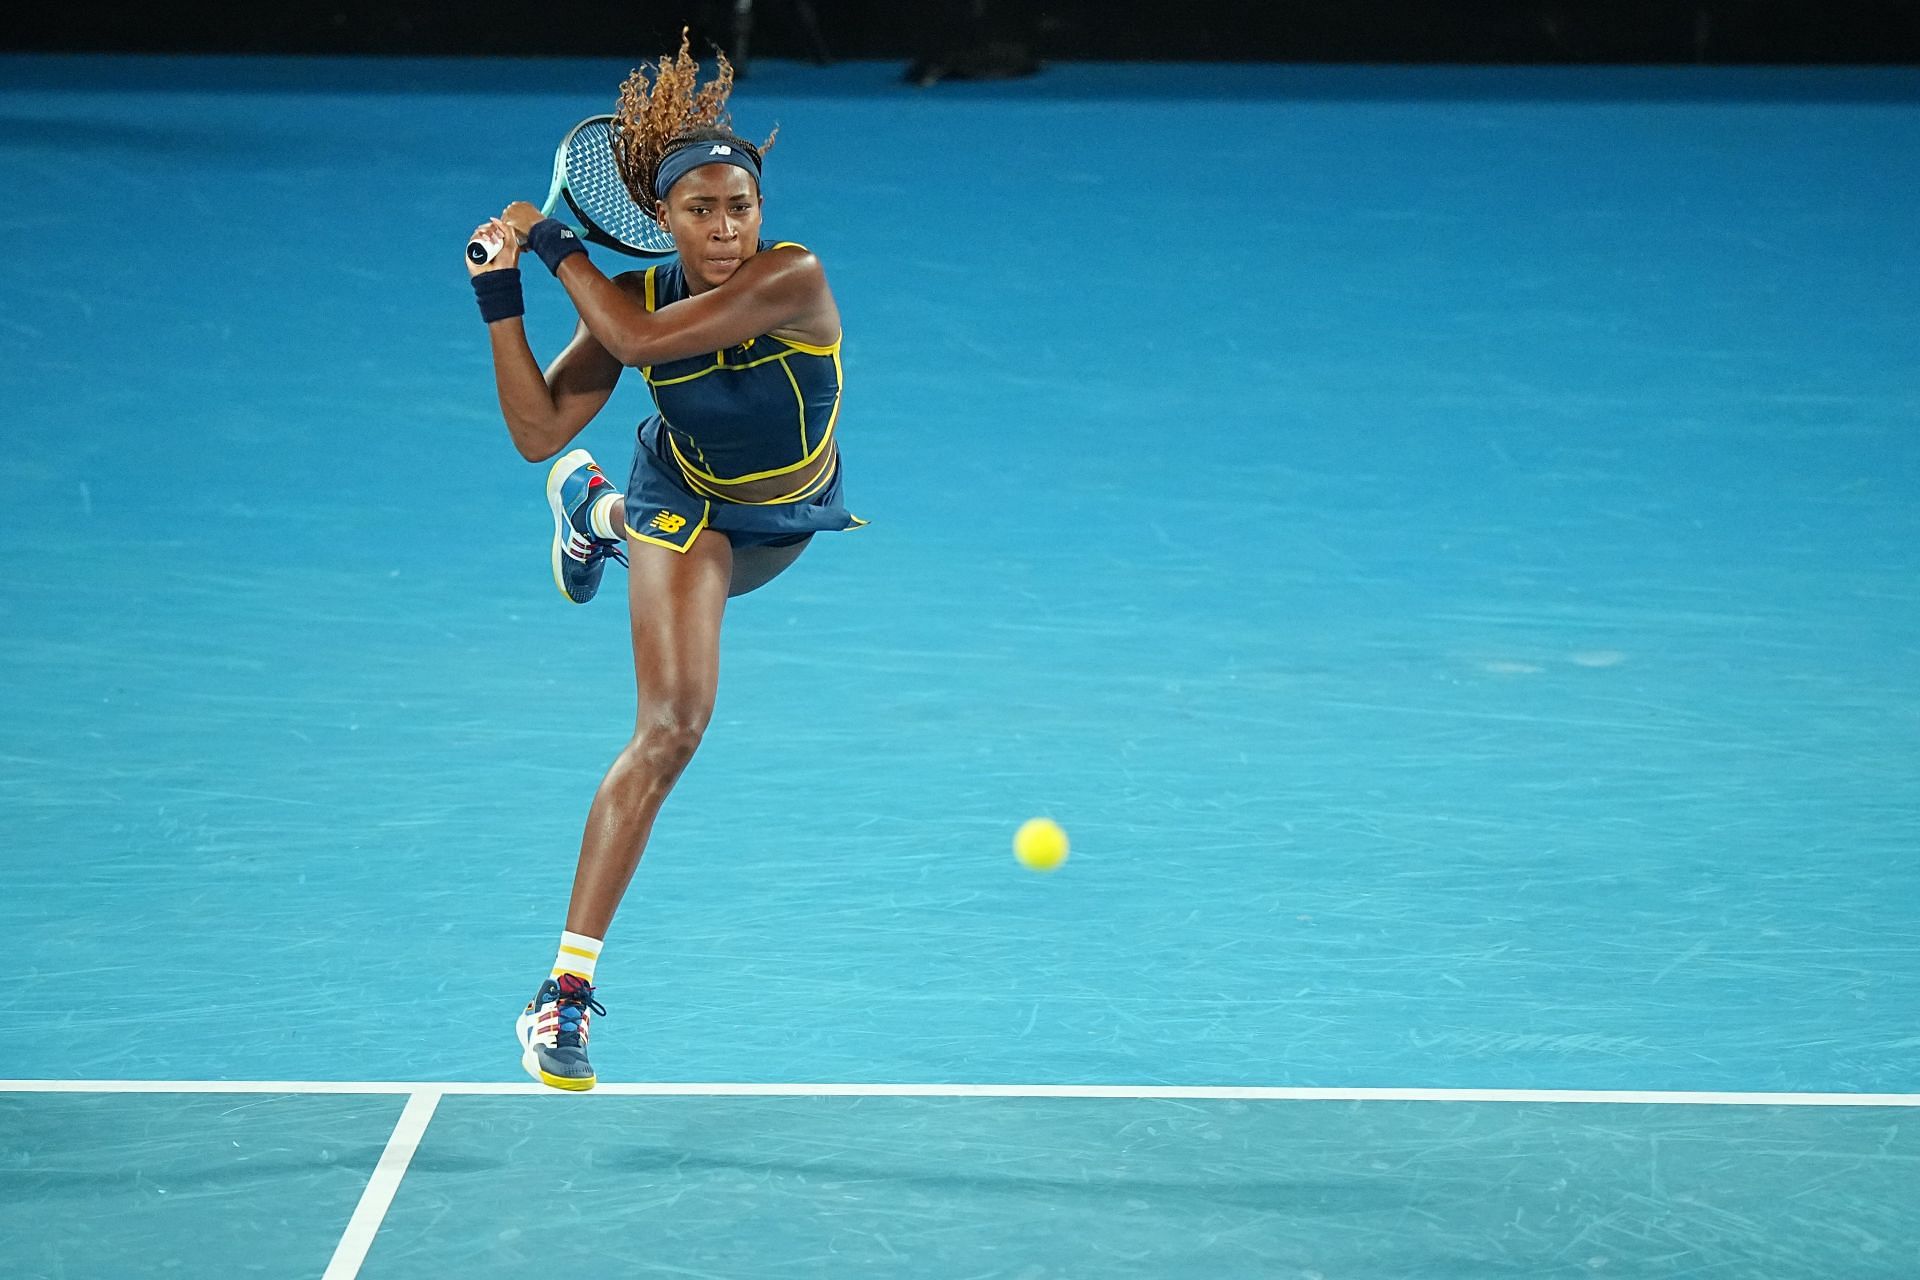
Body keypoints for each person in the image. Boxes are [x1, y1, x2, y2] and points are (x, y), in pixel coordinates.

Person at [464, 34, 862, 1091]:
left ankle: (593, 520)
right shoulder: (631, 293)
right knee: (674, 726)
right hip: (686, 502)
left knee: (665, 589)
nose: (727, 228)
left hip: (780, 520)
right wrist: (500, 299)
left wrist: (548, 239)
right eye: (701, 211)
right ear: (661, 215)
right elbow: (537, 427)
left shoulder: (794, 277)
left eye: (741, 206)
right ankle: (563, 995)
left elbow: (645, 348)